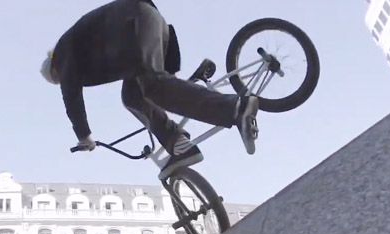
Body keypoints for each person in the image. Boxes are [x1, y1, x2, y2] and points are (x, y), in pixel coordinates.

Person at [40, 0, 260, 180]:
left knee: (154, 86)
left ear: (54, 71)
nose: (64, 80)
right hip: (148, 29)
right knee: (132, 97)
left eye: (59, 79)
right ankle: (179, 144)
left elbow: (71, 96)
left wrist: (84, 135)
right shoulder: (82, 52)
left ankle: (234, 108)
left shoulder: (61, 55)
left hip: (135, 24)